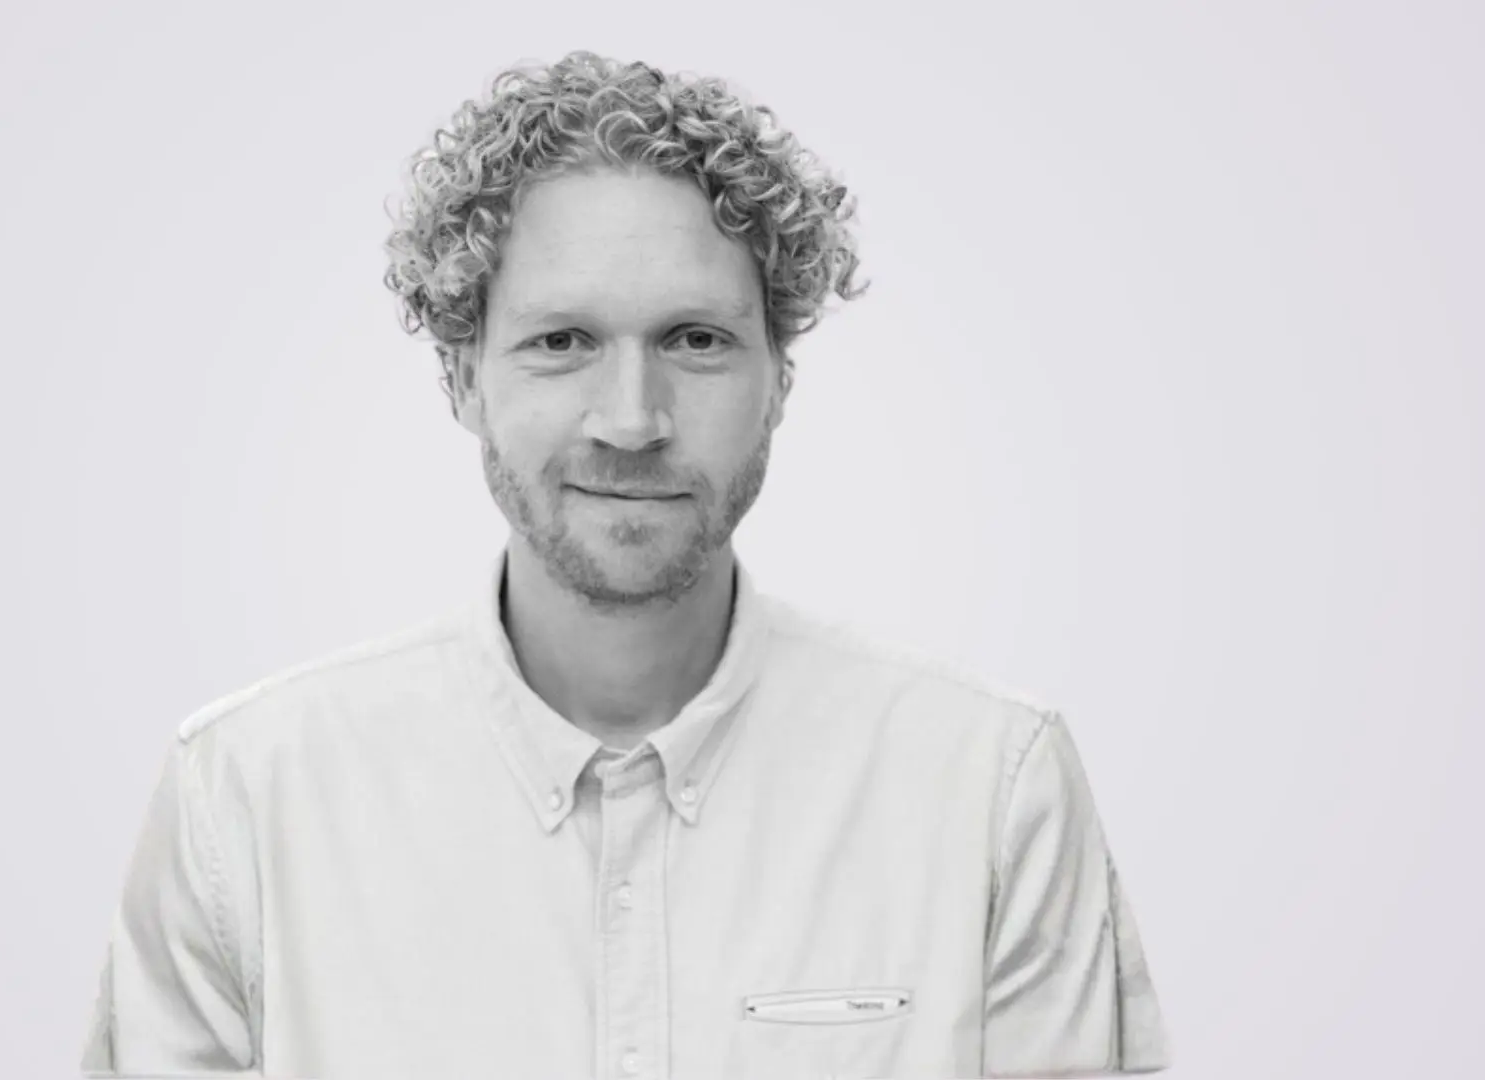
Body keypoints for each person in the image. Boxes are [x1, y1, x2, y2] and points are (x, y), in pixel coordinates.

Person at [80, 50, 1170, 1079]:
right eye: (562, 341)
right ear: (463, 379)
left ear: (780, 379)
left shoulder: (991, 790)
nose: (632, 420)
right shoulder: (246, 801)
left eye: (696, 339)